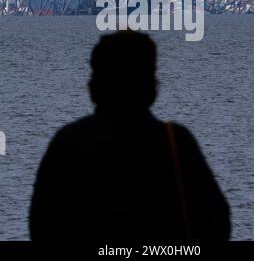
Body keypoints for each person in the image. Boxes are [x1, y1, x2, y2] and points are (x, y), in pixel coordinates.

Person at [29, 30, 231, 242]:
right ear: (152, 84)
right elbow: (217, 222)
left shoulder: (67, 142)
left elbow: (41, 225)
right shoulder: (176, 142)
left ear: (95, 84)